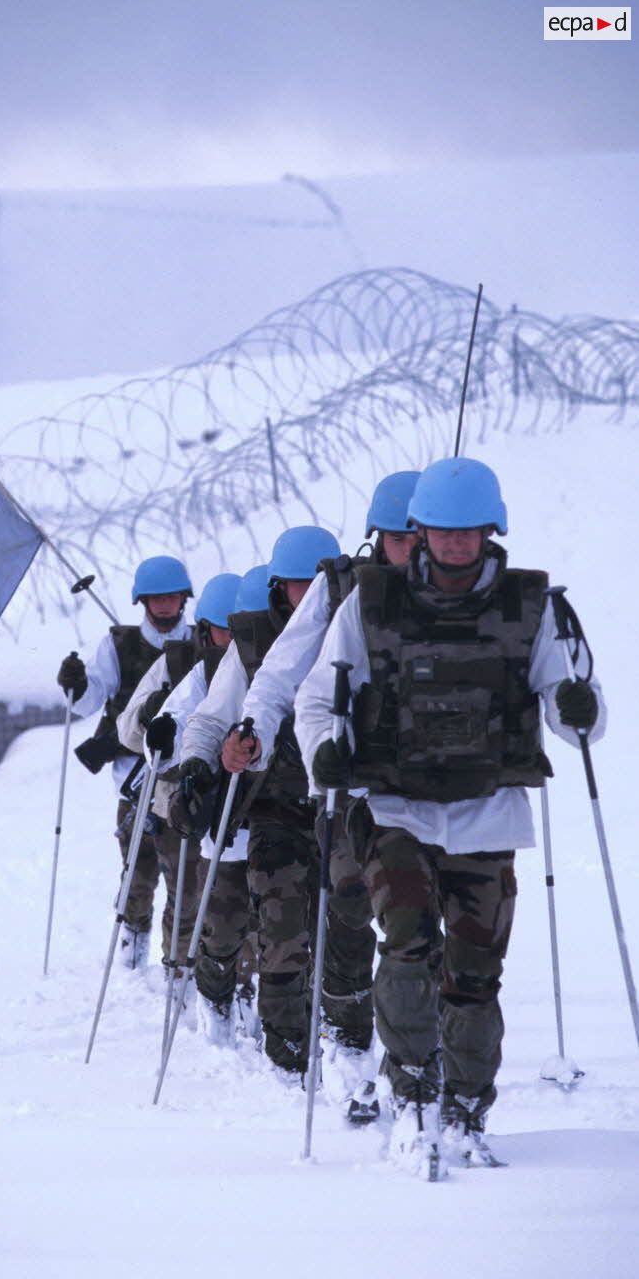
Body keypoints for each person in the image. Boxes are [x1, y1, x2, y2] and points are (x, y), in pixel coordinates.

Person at [294, 457, 606, 1177]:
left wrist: (579, 712)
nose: (458, 543)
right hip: (395, 810)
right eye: (443, 530)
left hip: (488, 815)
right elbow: (318, 698)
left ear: (492, 529)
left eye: (471, 530)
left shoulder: (529, 611)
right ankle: (410, 1096)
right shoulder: (370, 605)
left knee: (475, 976)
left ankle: (465, 1107)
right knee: (407, 945)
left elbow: (568, 703)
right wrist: (326, 753)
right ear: (420, 531)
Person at [235, 470, 421, 1122]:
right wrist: (251, 730)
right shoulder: (339, 590)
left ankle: (417, 1070)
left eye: (425, 535)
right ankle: (346, 1037)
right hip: (348, 788)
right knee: (346, 907)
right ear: (380, 537)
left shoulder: (461, 594)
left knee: (421, 933)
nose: (417, 547)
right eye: (404, 536)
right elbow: (278, 677)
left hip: (433, 790)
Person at [177, 526, 341, 1079]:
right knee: (282, 929)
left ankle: (344, 1038)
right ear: (278, 588)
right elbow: (209, 714)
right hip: (273, 809)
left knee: (339, 932)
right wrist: (199, 763)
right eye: (297, 585)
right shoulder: (250, 646)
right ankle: (286, 1048)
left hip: (345, 806)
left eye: (315, 583)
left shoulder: (355, 623)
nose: (307, 596)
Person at [147, 566, 270, 1045]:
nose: (232, 638)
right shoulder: (205, 674)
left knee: (276, 925)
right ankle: (217, 991)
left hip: (278, 817)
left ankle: (258, 997)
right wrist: (165, 736)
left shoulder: (282, 659)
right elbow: (183, 719)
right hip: (225, 824)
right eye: (225, 629)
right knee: (220, 923)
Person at [55, 554, 194, 969]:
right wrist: (76, 683)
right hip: (131, 779)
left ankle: (178, 960)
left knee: (184, 878)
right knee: (137, 872)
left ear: (183, 599)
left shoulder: (198, 643)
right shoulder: (118, 645)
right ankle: (133, 945)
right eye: (157, 599)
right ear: (143, 602)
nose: (165, 606)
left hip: (180, 779)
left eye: (172, 597)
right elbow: (89, 700)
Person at [114, 572, 242, 972]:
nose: (236, 641)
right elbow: (128, 730)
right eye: (227, 631)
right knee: (184, 892)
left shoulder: (262, 661)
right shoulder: (177, 662)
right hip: (177, 799)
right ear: (206, 630)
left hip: (237, 801)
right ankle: (177, 968)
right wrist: (153, 712)